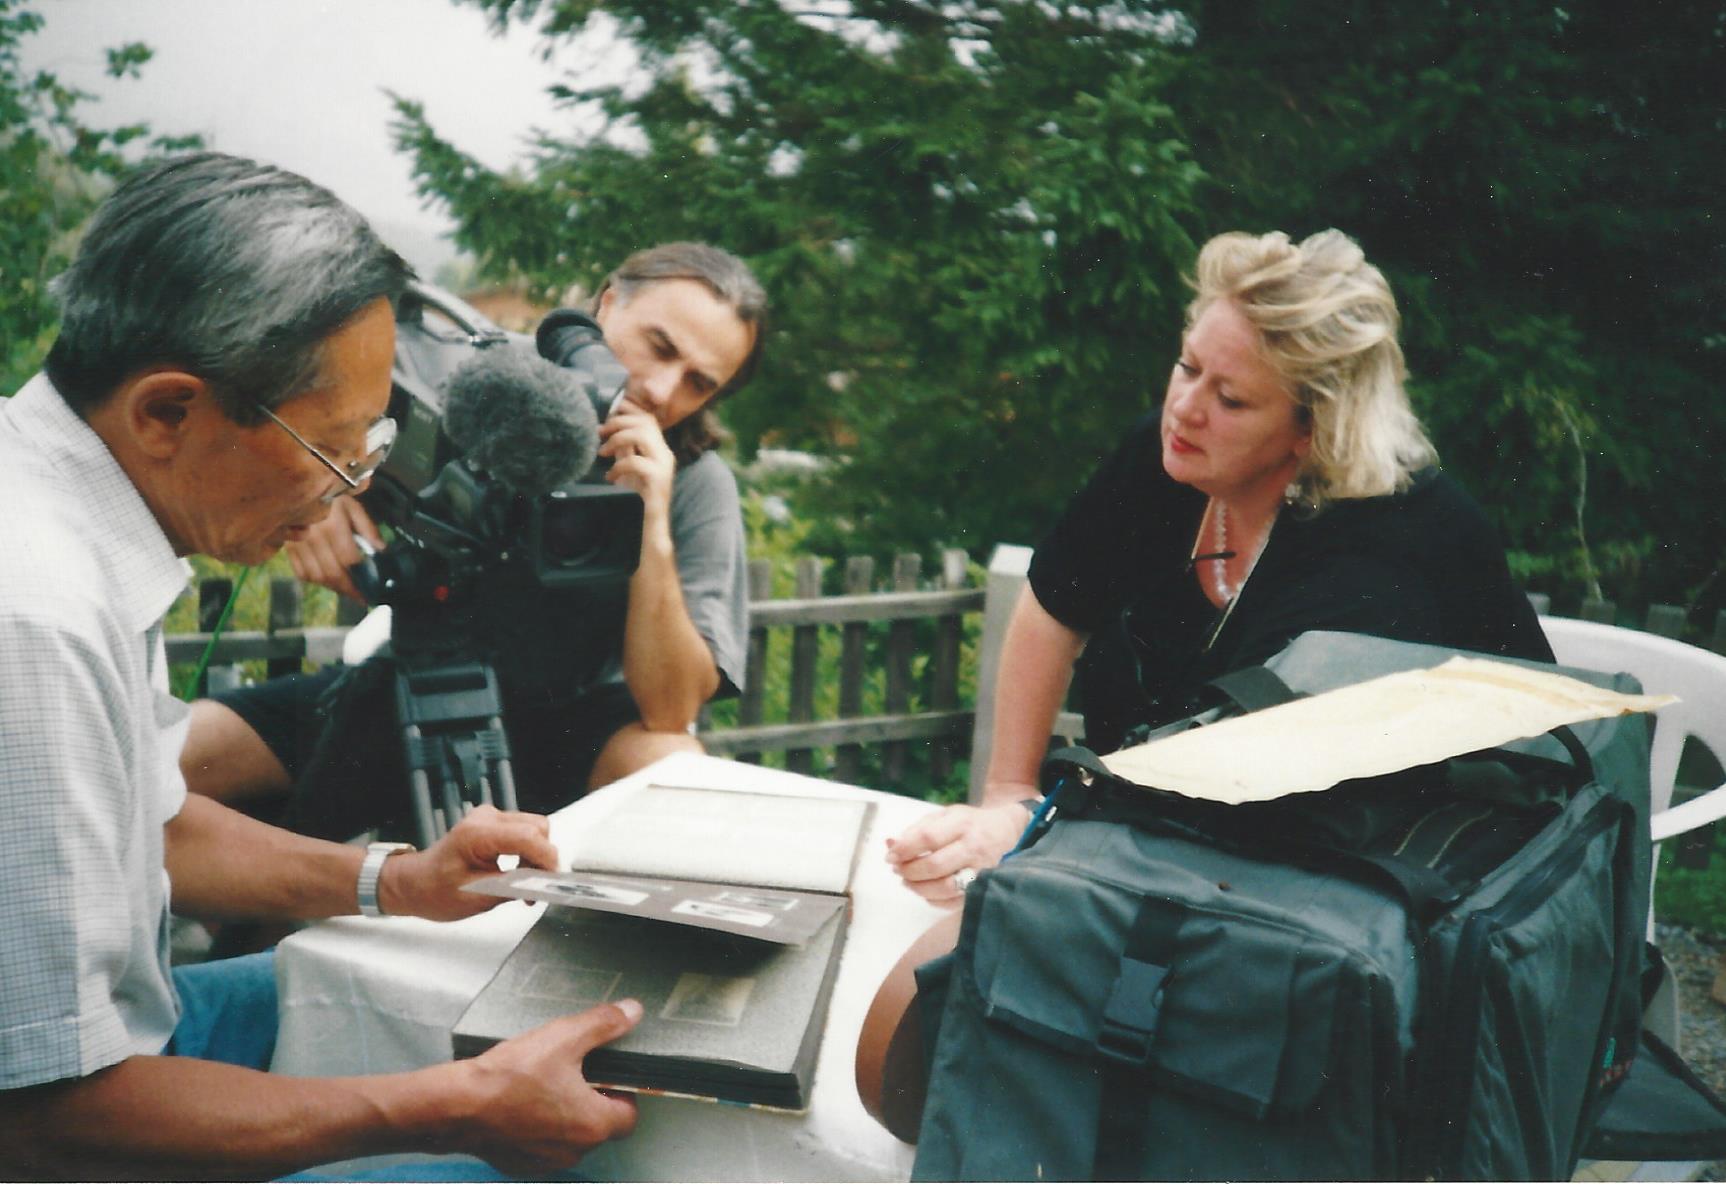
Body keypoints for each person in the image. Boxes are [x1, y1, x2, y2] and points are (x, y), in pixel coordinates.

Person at [0, 152, 641, 1179]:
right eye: (338, 451)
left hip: (130, 1040)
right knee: (530, 1166)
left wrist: (400, 881)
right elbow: (38, 1119)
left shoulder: (64, 511)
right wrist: (457, 1109)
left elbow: (154, 825)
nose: (350, 489)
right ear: (167, 412)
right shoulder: (35, 617)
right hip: (71, 1126)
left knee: (433, 996)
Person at [888, 228, 1554, 904]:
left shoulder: (1375, 559)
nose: (1184, 408)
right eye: (1187, 367)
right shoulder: (1168, 457)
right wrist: (1008, 796)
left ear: (1313, 429)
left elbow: (1245, 816)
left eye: (1230, 399)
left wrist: (1034, 838)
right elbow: (1054, 608)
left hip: (1381, 886)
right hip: (1171, 858)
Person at [179, 241, 766, 839]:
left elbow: (671, 712)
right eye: (659, 347)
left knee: (672, 771)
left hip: (569, 727)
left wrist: (653, 524)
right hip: (407, 680)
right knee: (172, 756)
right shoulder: (482, 376)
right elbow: (284, 398)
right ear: (608, 304)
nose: (663, 391)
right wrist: (324, 484)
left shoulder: (695, 480)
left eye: (698, 383)